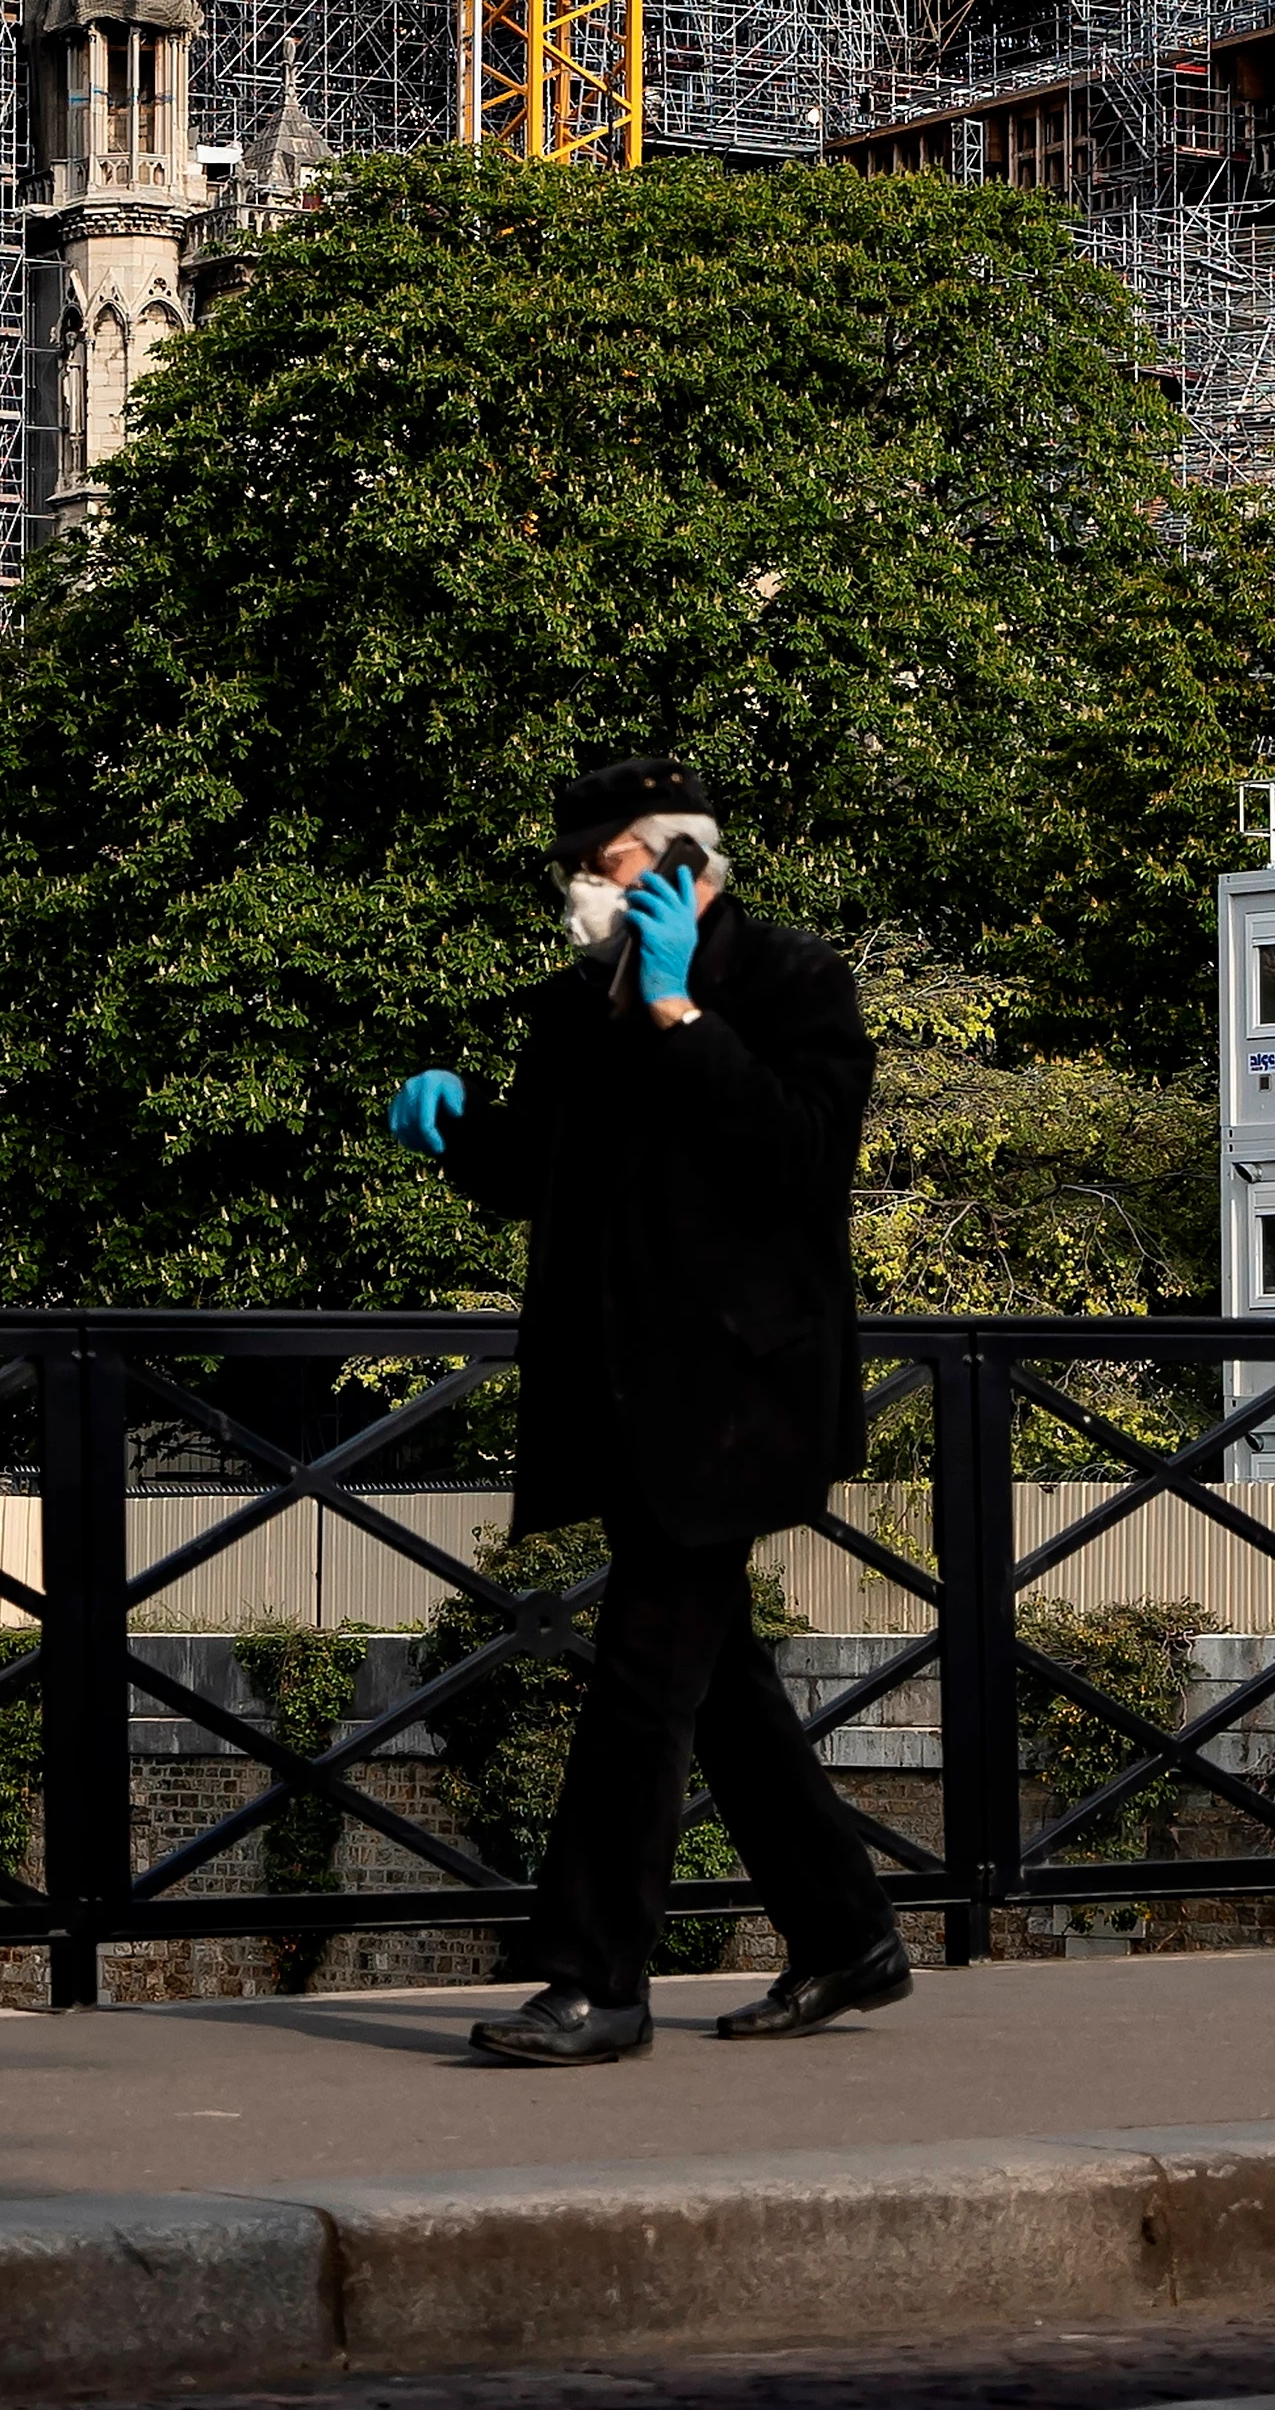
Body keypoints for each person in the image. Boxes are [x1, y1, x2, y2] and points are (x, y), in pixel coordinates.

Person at [385, 756, 910, 2064]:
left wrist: (683, 1013)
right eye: (577, 864)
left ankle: (593, 1979)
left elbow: (800, 1155)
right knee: (713, 1680)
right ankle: (847, 1933)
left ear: (680, 861)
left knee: (640, 1678)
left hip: (738, 1400)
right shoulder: (577, 1009)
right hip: (622, 1397)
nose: (581, 884)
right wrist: (454, 1126)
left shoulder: (789, 979)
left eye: (603, 860)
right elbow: (530, 1176)